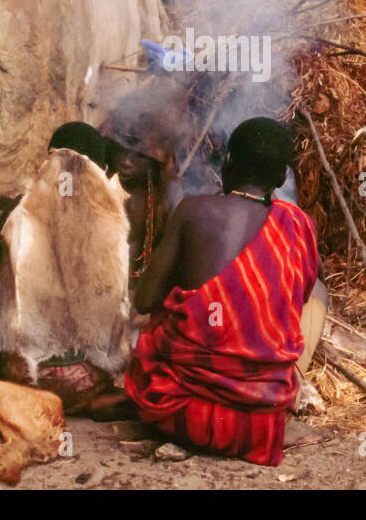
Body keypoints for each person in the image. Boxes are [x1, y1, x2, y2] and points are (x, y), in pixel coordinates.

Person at [123, 117, 319, 466]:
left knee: (152, 336)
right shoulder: (298, 224)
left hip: (181, 413)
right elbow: (294, 302)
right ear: (281, 178)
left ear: (227, 162)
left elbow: (144, 299)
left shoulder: (193, 210)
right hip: (260, 423)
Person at [0, 122, 132, 415]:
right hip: (88, 378)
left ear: (49, 159)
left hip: (24, 376)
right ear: (101, 169)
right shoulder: (111, 220)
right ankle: (89, 401)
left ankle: (39, 401)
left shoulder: (19, 210)